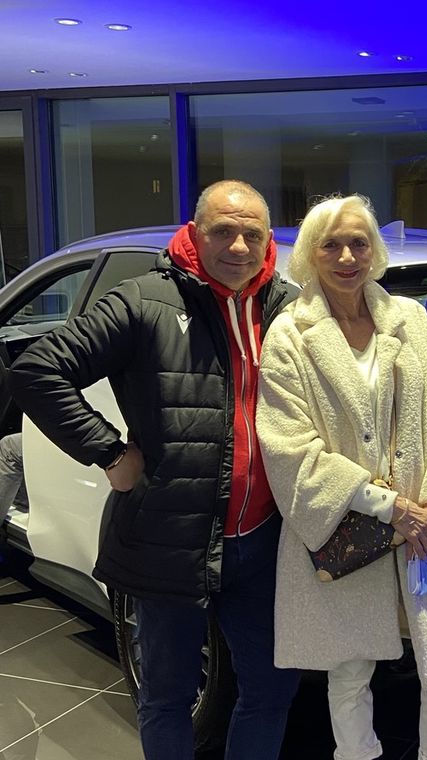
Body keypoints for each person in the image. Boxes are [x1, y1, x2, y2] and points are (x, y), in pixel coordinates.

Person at [9, 180, 301, 759]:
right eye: (223, 231)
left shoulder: (288, 309)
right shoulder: (144, 300)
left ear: (268, 240)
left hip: (264, 541)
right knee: (168, 696)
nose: (238, 247)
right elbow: (38, 370)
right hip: (168, 540)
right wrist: (110, 452)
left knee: (272, 689)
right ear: (195, 233)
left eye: (252, 234)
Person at [257, 194, 427, 760]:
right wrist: (388, 506)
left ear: (374, 250)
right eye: (331, 244)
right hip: (348, 524)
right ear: (309, 254)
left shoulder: (412, 320)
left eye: (359, 242)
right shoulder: (289, 335)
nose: (347, 256)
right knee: (349, 669)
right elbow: (288, 447)